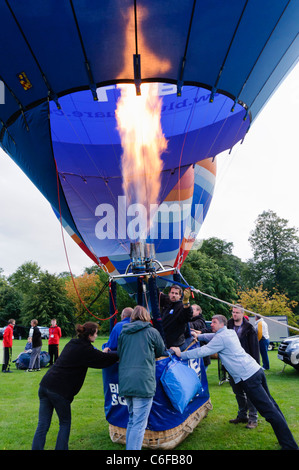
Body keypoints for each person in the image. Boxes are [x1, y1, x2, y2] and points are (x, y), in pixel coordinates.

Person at [171, 314, 298, 450]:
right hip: (256, 370)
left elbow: (202, 351)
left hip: (248, 377)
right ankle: (286, 441)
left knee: (269, 412)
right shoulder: (229, 332)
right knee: (272, 406)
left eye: (214, 322)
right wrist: (200, 336)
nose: (211, 324)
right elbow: (212, 337)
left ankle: (290, 446)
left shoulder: (221, 337)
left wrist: (181, 353)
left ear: (221, 324)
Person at [32, 321, 118, 450]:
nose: (96, 336)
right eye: (95, 333)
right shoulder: (86, 350)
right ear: (90, 335)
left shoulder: (73, 343)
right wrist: (120, 353)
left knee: (42, 424)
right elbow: (101, 361)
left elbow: (96, 355)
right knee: (65, 423)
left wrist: (104, 353)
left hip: (45, 385)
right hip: (59, 391)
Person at [117, 305, 166, 450]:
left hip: (126, 381)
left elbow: (120, 352)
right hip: (143, 382)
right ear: (147, 316)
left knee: (133, 420)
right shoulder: (151, 332)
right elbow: (160, 351)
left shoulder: (123, 333)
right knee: (138, 424)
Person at [227, 305, 260, 429]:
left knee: (250, 393)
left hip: (246, 367)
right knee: (238, 393)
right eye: (233, 312)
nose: (234, 314)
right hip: (232, 366)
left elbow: (255, 349)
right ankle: (242, 415)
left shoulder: (249, 328)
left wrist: (255, 365)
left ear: (242, 314)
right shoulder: (228, 325)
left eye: (237, 312)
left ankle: (253, 419)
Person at [159, 284, 193, 349]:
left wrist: (186, 301)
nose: (174, 295)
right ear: (169, 293)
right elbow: (157, 294)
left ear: (180, 296)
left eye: (176, 293)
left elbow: (188, 315)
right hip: (163, 340)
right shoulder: (168, 302)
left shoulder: (181, 306)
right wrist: (149, 280)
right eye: (172, 293)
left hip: (175, 344)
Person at [188, 304, 211, 369]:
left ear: (198, 312)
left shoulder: (200, 321)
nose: (191, 311)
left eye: (193, 309)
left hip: (202, 357)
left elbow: (193, 325)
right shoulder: (191, 320)